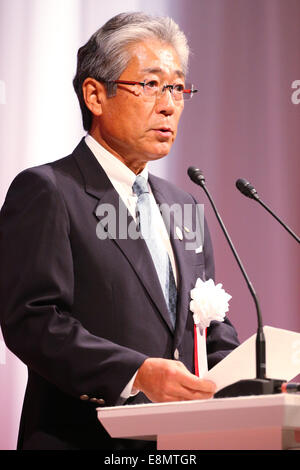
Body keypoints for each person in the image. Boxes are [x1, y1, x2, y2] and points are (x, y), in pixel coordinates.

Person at [0, 12, 239, 450]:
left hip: (181, 443)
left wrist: (248, 381)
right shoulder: (49, 191)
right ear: (95, 95)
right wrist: (135, 373)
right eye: (150, 85)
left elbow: (210, 328)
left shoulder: (183, 204)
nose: (169, 104)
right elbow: (32, 321)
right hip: (85, 438)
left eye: (177, 87)